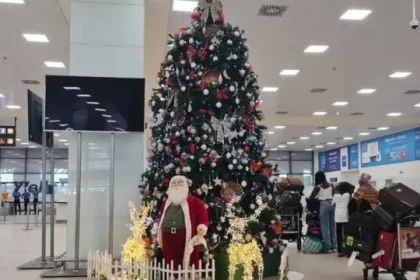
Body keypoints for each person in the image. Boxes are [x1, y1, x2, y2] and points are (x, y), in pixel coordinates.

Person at [157, 175, 209, 269]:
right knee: (170, 261)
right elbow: (162, 216)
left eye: (179, 183)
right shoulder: (166, 203)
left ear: (185, 185)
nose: (176, 185)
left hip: (184, 236)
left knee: (188, 259)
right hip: (167, 236)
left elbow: (202, 214)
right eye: (174, 183)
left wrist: (202, 226)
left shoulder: (193, 201)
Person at [309, 171, 336, 253]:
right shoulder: (331, 185)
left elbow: (311, 198)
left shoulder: (318, 187)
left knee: (325, 227)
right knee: (332, 227)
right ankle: (334, 246)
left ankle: (328, 247)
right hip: (332, 204)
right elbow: (334, 195)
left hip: (323, 205)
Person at [333, 183, 351, 257]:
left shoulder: (335, 195)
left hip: (338, 216)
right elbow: (349, 203)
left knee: (339, 233)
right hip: (345, 216)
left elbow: (333, 204)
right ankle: (348, 250)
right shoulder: (348, 195)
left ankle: (340, 250)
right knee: (347, 234)